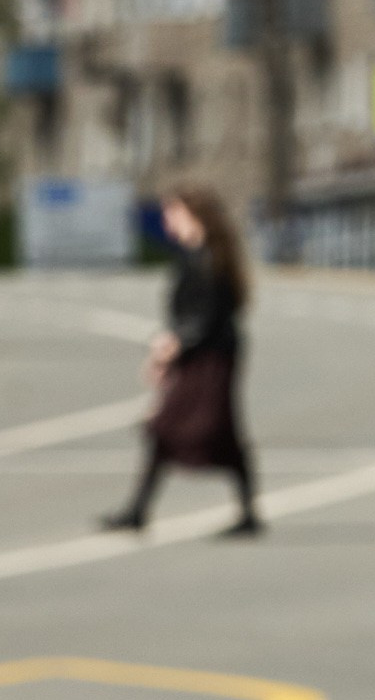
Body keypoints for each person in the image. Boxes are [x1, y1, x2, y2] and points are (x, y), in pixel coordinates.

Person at [103, 184, 262, 539]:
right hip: (201, 352)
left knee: (175, 428)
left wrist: (173, 347)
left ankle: (140, 511)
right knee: (204, 433)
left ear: (193, 215)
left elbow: (206, 316)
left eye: (173, 212)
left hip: (210, 356)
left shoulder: (208, 257)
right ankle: (140, 510)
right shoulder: (197, 254)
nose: (167, 220)